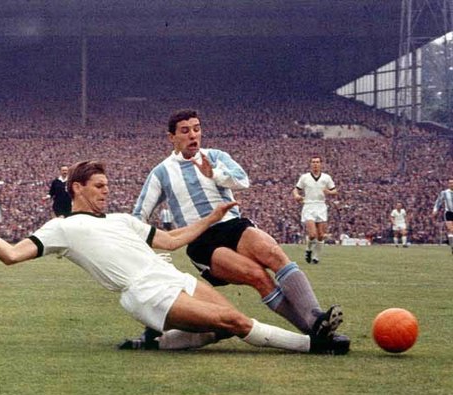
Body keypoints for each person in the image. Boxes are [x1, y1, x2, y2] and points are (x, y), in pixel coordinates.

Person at [0, 160, 349, 355]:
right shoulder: (62, 228)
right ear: (77, 188)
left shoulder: (122, 220)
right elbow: (12, 256)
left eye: (107, 185)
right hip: (144, 291)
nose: (106, 191)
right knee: (236, 321)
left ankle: (155, 345)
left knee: (223, 330)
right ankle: (313, 345)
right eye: (99, 185)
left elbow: (172, 241)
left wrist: (211, 217)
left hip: (170, 276)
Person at [128, 109, 346, 349]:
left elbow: (243, 180)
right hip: (202, 239)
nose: (193, 135)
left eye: (197, 129)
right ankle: (315, 331)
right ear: (172, 137)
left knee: (274, 254)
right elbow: (139, 215)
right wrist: (144, 247)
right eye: (185, 130)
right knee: (257, 276)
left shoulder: (216, 156)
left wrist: (215, 174)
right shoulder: (161, 172)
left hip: (233, 225)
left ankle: (316, 323)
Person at [293, 156, 338, 264]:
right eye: (313, 162)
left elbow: (335, 191)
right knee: (312, 234)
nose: (315, 164)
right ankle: (308, 250)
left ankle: (316, 257)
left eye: (317, 162)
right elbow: (296, 189)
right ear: (310, 164)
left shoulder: (326, 177)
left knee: (321, 235)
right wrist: (296, 196)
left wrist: (329, 192)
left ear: (321, 164)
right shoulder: (305, 177)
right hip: (309, 205)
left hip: (321, 206)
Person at [432, 178, 453, 254]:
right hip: (449, 213)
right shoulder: (444, 193)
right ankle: (452, 246)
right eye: (450, 183)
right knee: (450, 229)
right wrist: (435, 210)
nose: (452, 184)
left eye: (452, 183)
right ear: (448, 184)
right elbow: (438, 201)